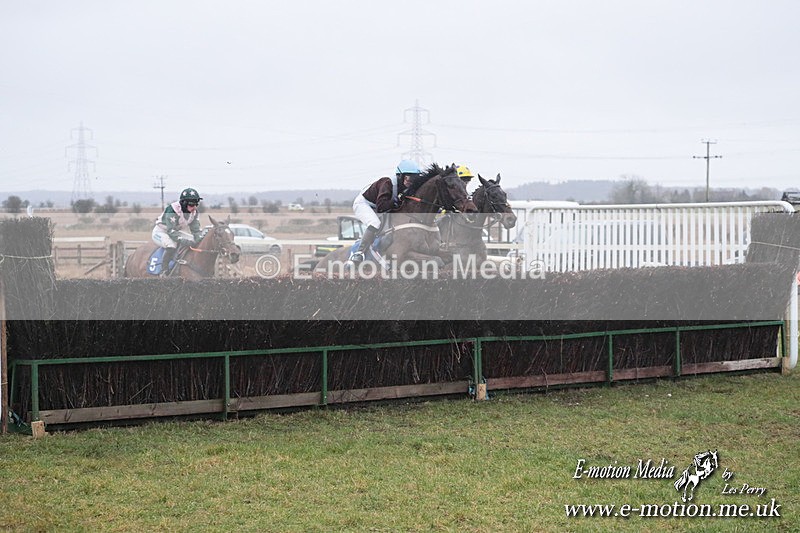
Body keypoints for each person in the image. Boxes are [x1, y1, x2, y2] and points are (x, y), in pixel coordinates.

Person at [348, 159, 422, 264]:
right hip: (364, 204)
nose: (410, 181)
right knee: (375, 223)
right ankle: (359, 253)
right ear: (400, 176)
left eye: (414, 179)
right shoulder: (387, 183)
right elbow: (382, 207)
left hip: (378, 205)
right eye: (408, 178)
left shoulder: (404, 186)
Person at [152, 187, 203, 274]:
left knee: (194, 241)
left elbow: (196, 231)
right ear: (184, 203)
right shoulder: (172, 210)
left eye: (196, 204)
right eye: (191, 205)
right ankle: (164, 270)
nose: (194, 207)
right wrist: (183, 241)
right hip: (161, 232)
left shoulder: (194, 213)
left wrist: (199, 239)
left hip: (175, 232)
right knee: (171, 245)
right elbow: (170, 231)